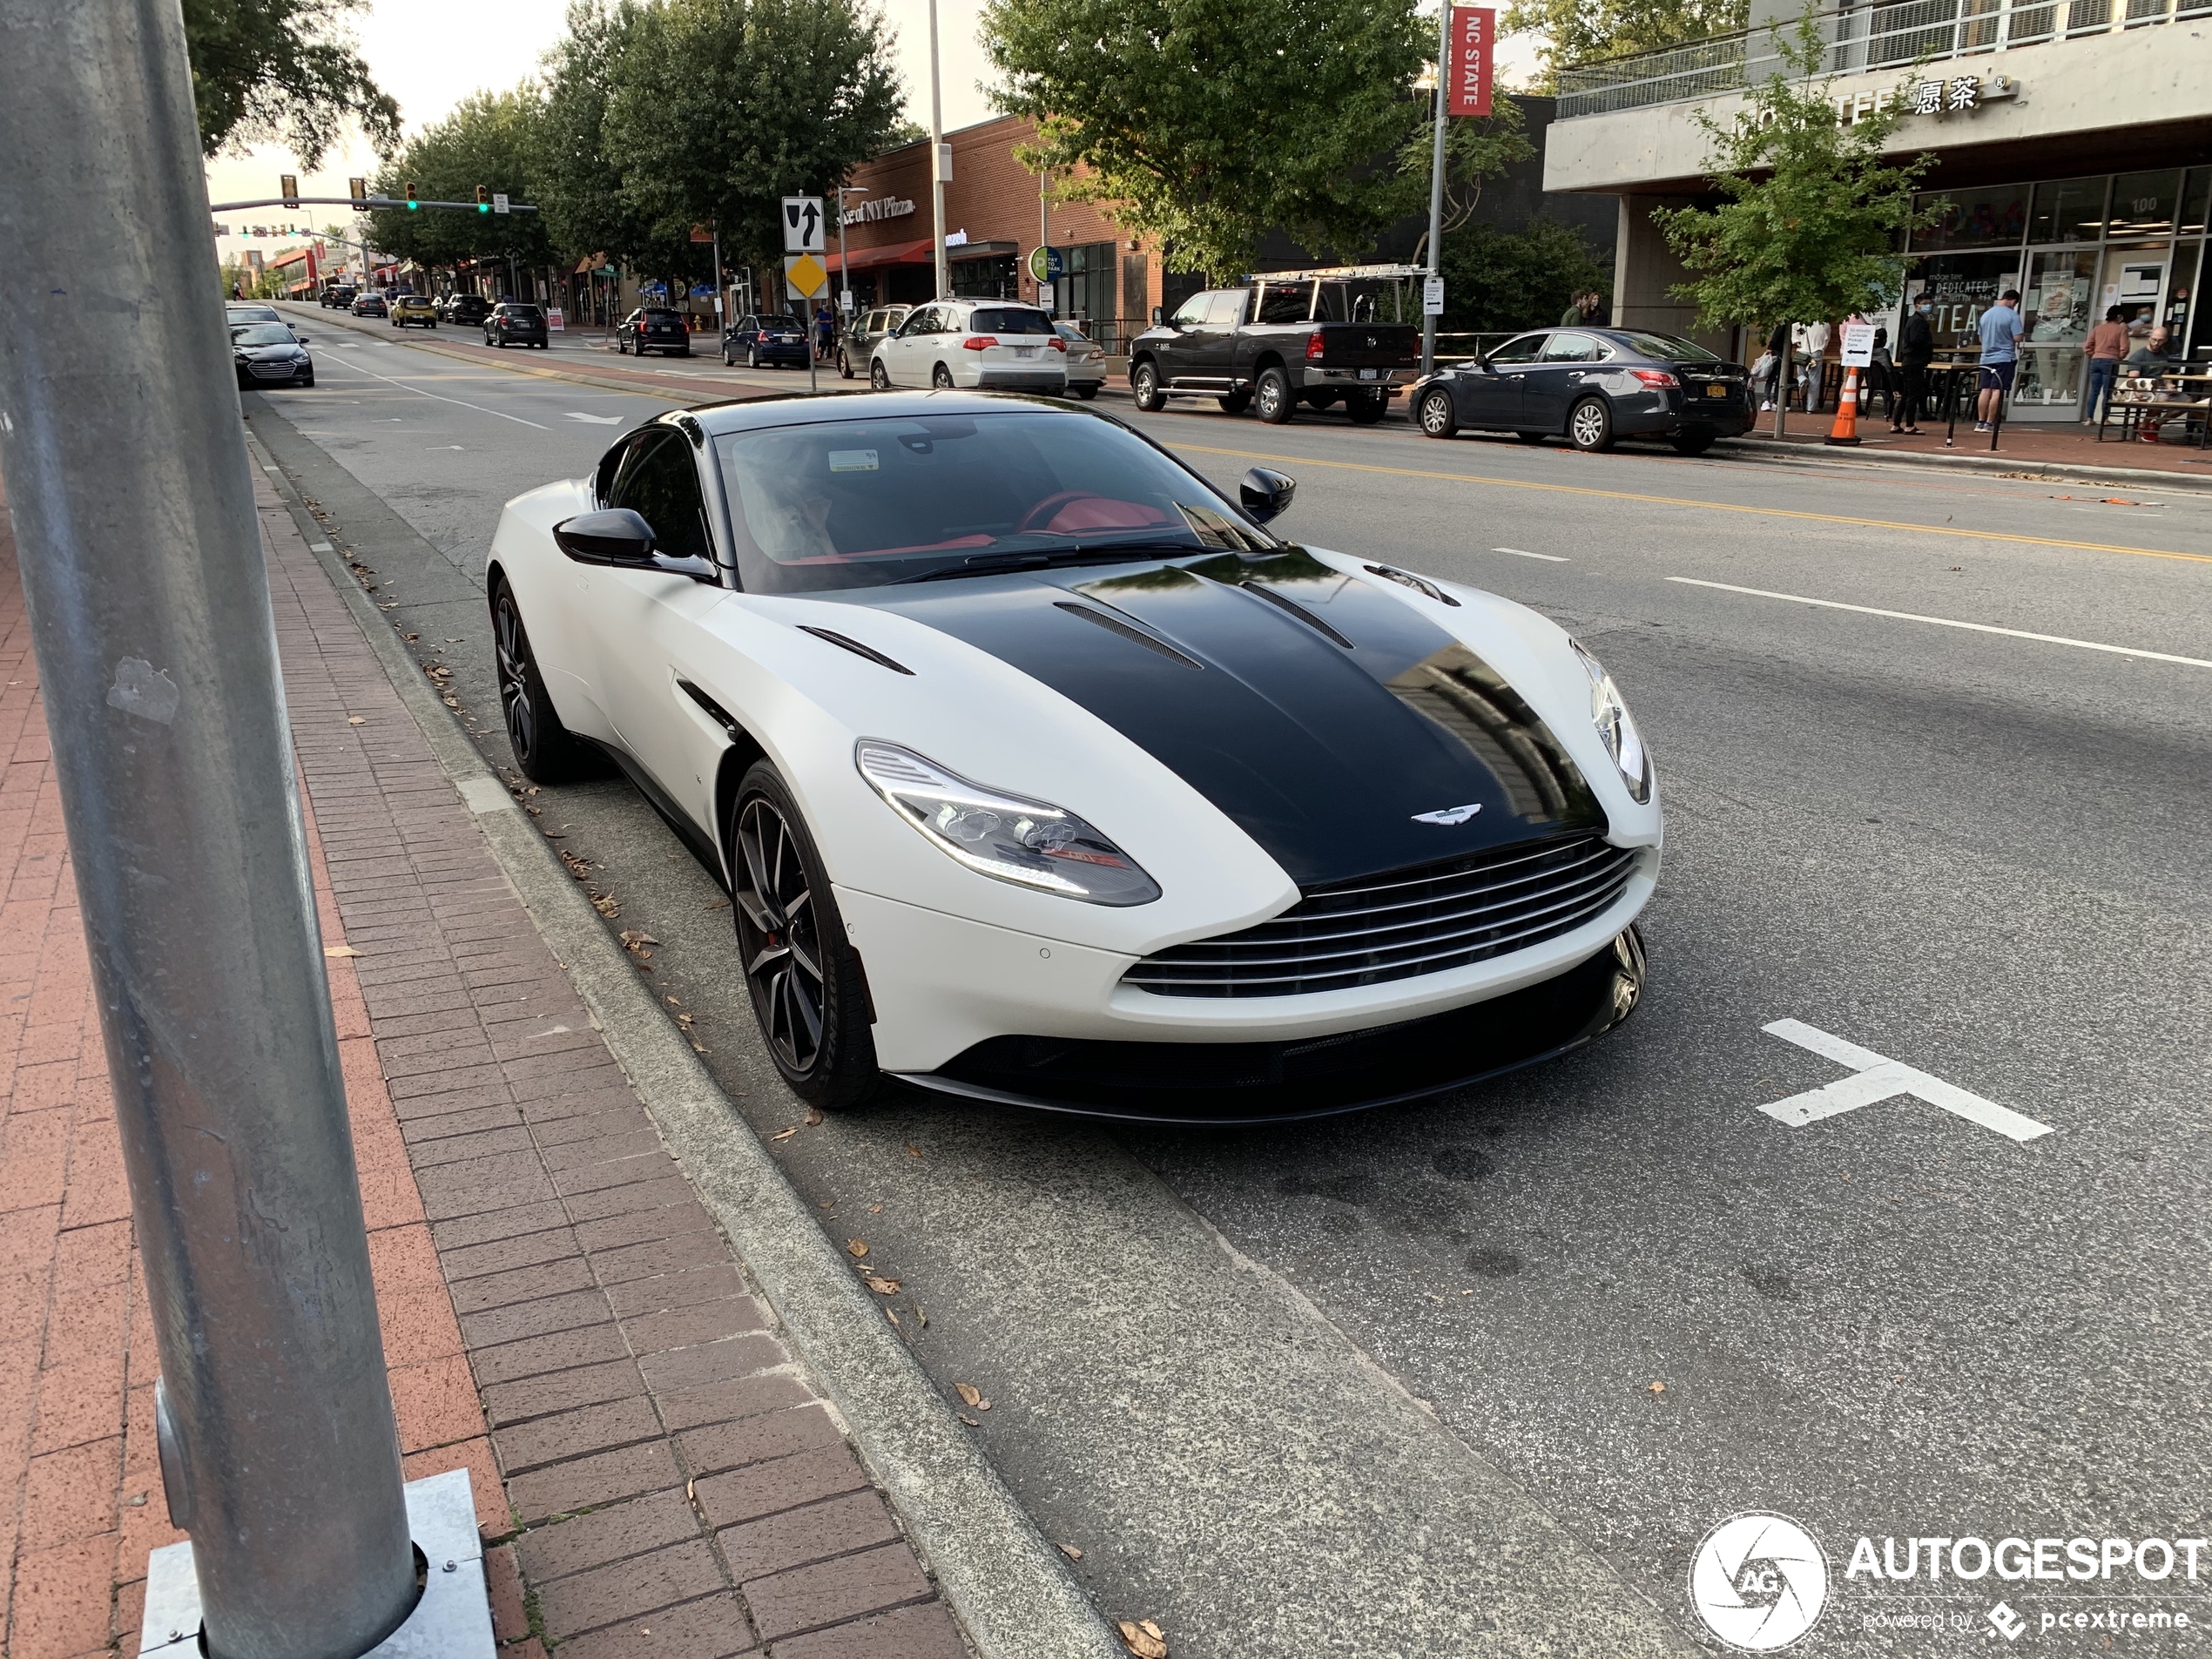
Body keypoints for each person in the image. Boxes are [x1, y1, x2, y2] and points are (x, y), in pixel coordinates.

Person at [1974, 288, 2025, 431]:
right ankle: (1990, 423)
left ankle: (1980, 422)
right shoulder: (2012, 315)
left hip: (1986, 358)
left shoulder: (1986, 314)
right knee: (1997, 390)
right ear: (2013, 301)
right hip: (2004, 357)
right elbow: (2017, 337)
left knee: (1985, 389)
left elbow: (1980, 338)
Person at [2082, 304, 2128, 424]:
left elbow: (2087, 346)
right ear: (2119, 317)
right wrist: (2118, 357)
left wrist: (2093, 354)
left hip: (2095, 360)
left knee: (2094, 390)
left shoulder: (2098, 328)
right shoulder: (2121, 329)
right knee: (2107, 391)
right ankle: (2105, 419)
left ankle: (2089, 418)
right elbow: (2124, 348)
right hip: (2111, 362)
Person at [1895, 293, 1934, 434]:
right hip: (1915, 361)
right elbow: (1915, 340)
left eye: (1929, 302)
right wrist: (1927, 346)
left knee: (1906, 394)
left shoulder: (1913, 320)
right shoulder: (1918, 321)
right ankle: (1909, 425)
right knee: (1913, 394)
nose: (1928, 305)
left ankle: (1896, 424)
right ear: (1917, 305)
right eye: (1924, 303)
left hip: (1910, 361)